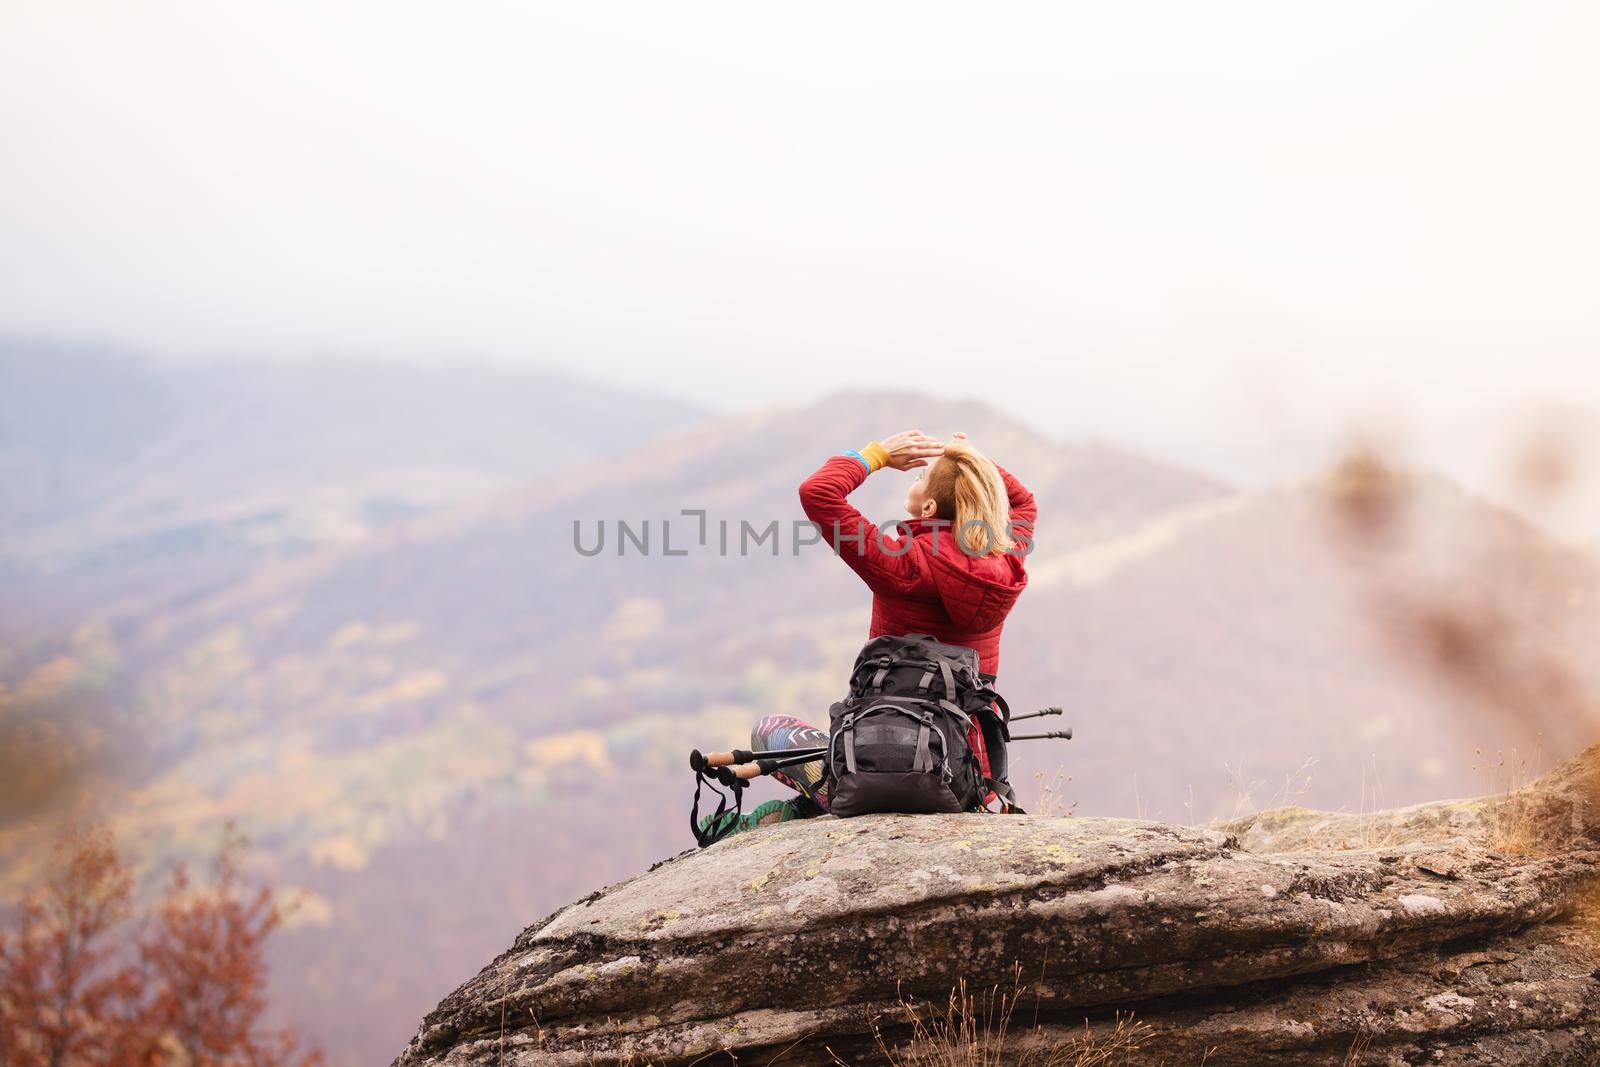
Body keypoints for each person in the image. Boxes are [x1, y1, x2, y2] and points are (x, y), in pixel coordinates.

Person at [704, 429, 1035, 835]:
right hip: (966, 782)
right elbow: (1022, 502)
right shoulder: (1006, 562)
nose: (914, 479)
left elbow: (818, 493)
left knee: (768, 731)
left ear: (928, 505)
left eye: (920, 478)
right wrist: (970, 459)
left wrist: (876, 455)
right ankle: (808, 808)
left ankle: (805, 808)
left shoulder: (900, 562)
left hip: (878, 757)